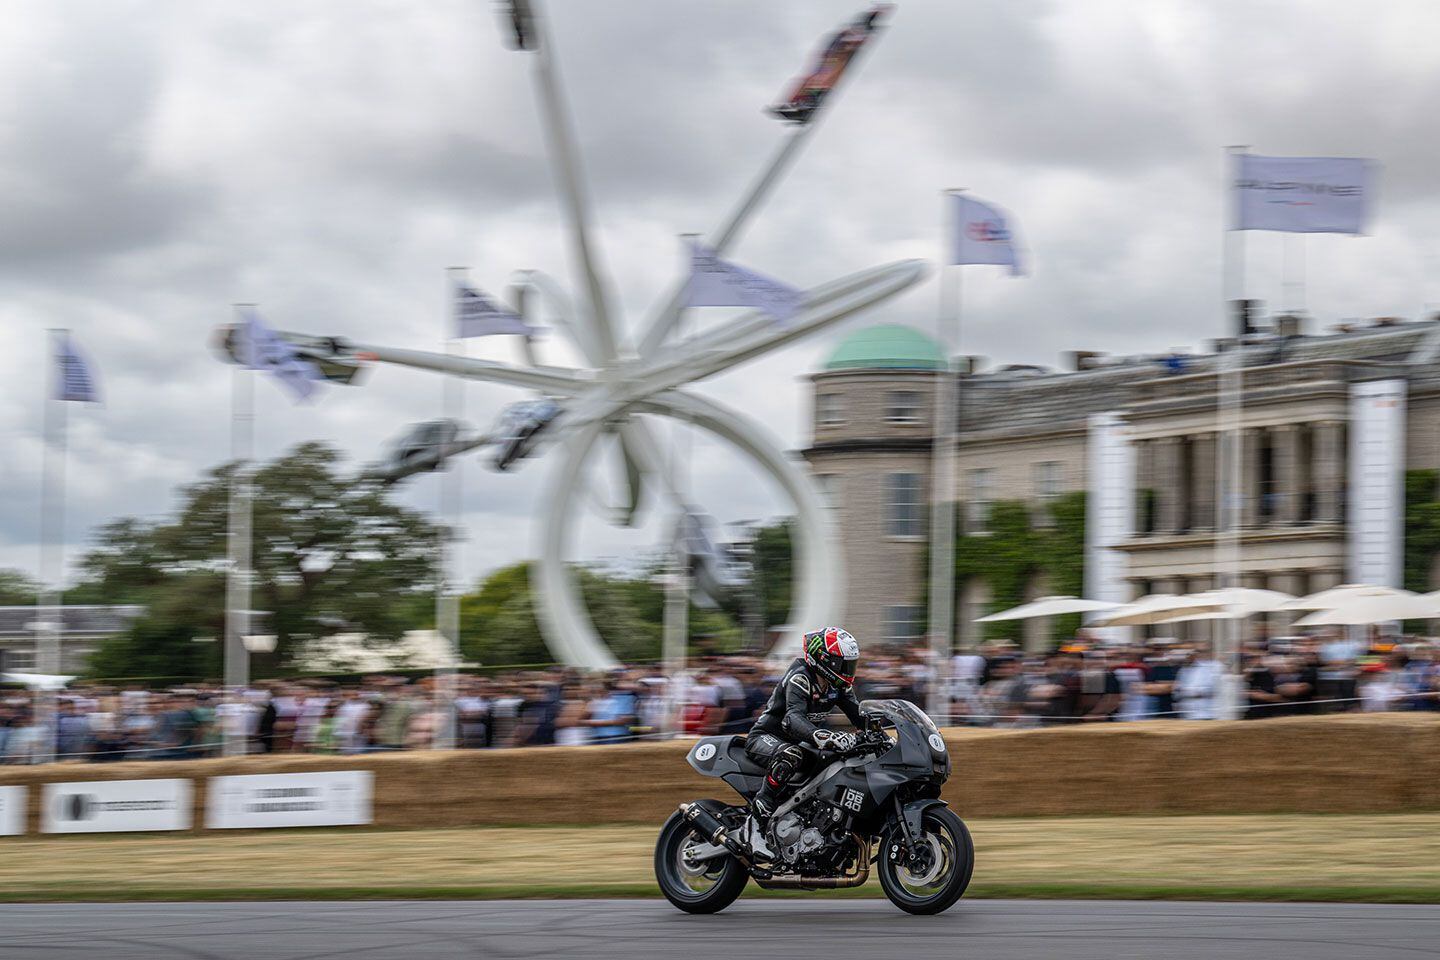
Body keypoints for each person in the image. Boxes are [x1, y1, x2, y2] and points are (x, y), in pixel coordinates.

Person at [745, 627, 866, 822]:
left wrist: (883, 734)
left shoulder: (838, 686)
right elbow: (792, 719)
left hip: (801, 741)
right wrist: (826, 736)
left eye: (851, 664)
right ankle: (762, 804)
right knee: (791, 754)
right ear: (824, 660)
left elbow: (859, 716)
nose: (847, 669)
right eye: (843, 663)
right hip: (765, 737)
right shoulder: (800, 677)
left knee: (834, 758)